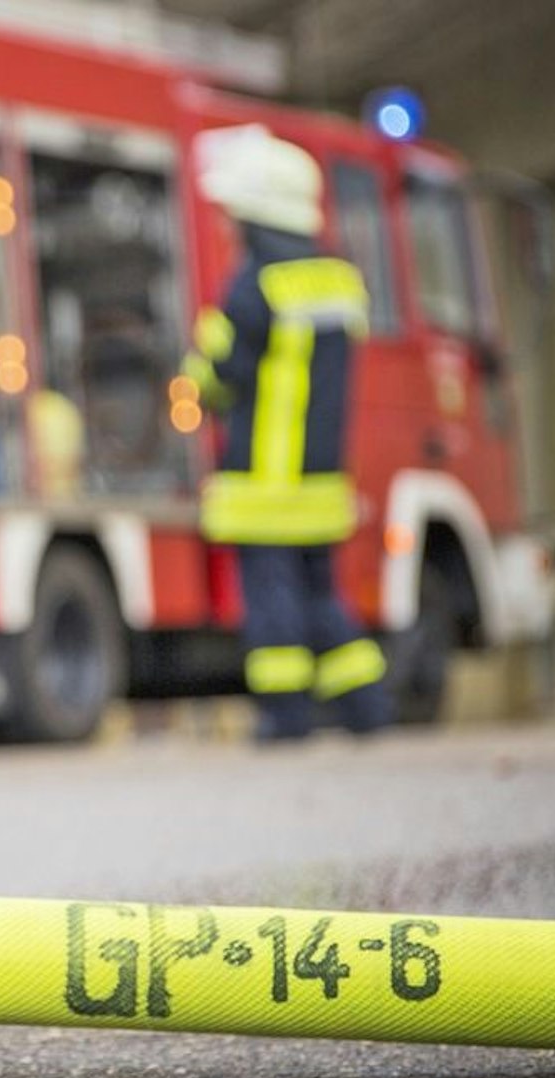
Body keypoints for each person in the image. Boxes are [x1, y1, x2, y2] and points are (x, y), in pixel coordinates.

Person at [183, 127, 393, 741]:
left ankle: (286, 715)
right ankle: (366, 707)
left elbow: (221, 380)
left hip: (265, 480)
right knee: (322, 595)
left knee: (273, 604)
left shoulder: (253, 289)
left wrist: (204, 352)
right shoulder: (339, 282)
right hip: (320, 478)